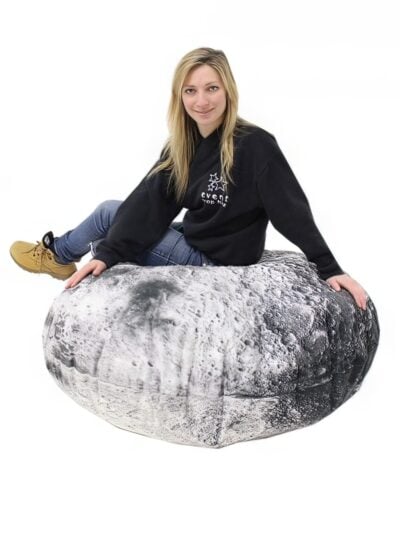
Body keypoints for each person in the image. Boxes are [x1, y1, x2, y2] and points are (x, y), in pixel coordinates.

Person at [10, 46, 368, 311]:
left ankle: (59, 254)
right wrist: (109, 253)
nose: (201, 101)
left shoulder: (255, 145)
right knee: (114, 225)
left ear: (228, 90)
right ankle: (62, 254)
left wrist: (330, 267)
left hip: (215, 261)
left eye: (212, 88)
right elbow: (149, 201)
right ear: (179, 96)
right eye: (190, 90)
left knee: (107, 216)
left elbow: (290, 210)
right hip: (199, 238)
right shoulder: (182, 145)